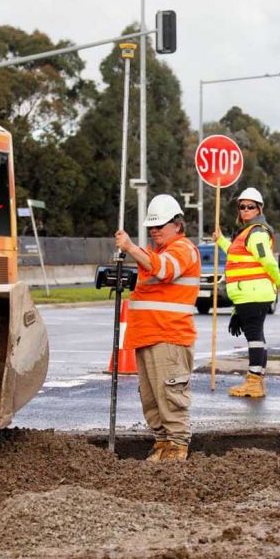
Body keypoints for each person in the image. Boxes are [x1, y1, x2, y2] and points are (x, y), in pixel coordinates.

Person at [115, 194, 201, 461]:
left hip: (169, 337)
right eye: (151, 227)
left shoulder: (183, 249)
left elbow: (164, 270)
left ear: (177, 224)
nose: (154, 231)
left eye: (159, 225)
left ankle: (176, 449)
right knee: (152, 399)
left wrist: (129, 246)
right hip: (148, 336)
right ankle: (163, 445)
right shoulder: (157, 253)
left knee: (170, 396)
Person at [213, 187, 280, 398]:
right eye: (242, 206)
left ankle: (253, 382)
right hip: (249, 294)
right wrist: (221, 240)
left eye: (250, 207)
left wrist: (277, 279)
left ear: (258, 209)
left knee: (254, 337)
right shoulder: (247, 233)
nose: (245, 210)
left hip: (254, 293)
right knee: (257, 336)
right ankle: (257, 381)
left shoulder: (257, 232)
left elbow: (267, 260)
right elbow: (237, 255)